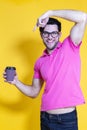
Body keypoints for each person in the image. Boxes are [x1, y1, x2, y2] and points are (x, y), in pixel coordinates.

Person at [3, 9, 87, 130]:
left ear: (59, 34)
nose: (50, 37)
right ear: (41, 35)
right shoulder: (40, 62)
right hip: (45, 118)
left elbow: (83, 17)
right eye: (46, 33)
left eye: (54, 33)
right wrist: (16, 82)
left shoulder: (70, 45)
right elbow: (33, 92)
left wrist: (50, 12)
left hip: (66, 120)